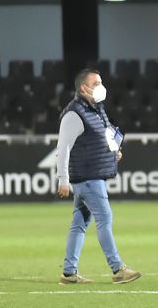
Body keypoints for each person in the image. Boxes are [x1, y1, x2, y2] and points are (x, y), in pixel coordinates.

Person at [55, 68, 141, 285]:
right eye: (96, 83)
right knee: (105, 220)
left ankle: (69, 272)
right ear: (83, 88)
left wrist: (114, 152)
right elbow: (63, 148)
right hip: (88, 179)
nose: (101, 87)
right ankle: (117, 269)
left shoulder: (96, 110)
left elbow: (103, 137)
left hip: (90, 177)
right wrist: (63, 179)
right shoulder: (74, 114)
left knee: (79, 224)